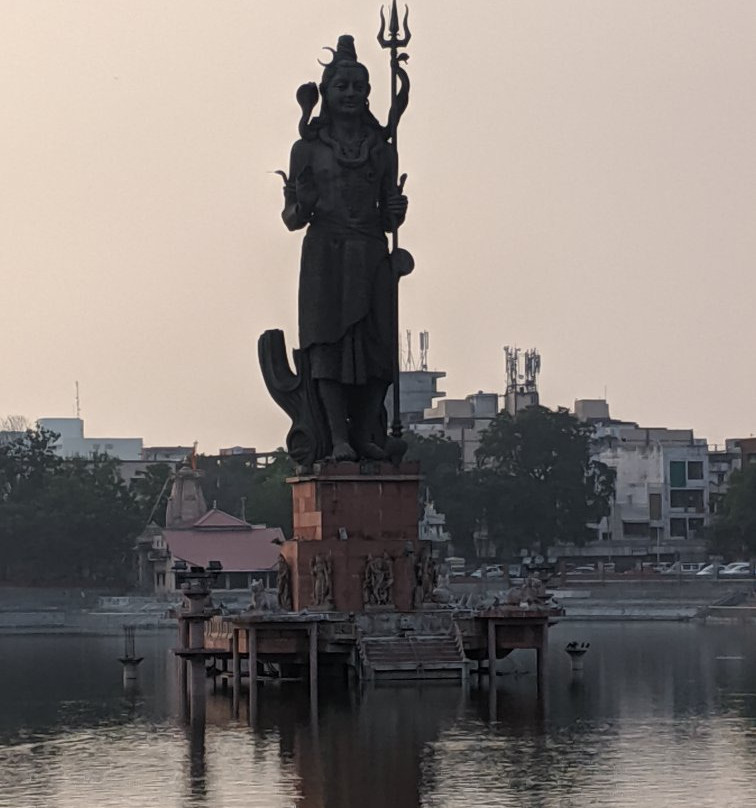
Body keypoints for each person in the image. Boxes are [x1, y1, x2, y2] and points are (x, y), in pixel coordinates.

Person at [281, 35, 407, 462]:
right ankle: (337, 436)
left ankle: (367, 432)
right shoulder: (308, 149)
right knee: (327, 348)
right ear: (327, 94)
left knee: (378, 348)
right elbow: (292, 218)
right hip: (326, 255)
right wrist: (305, 201)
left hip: (371, 251)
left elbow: (390, 219)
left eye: (359, 87)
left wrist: (396, 209)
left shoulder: (381, 150)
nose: (351, 94)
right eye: (343, 87)